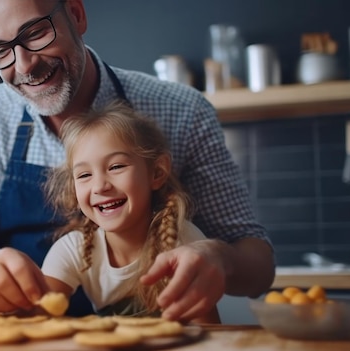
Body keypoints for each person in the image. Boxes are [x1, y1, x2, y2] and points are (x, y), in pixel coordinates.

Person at [0, 0, 275, 322]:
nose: (24, 65)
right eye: (1, 51)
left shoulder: (184, 112)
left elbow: (258, 263)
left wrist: (222, 259)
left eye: (36, 32)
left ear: (76, 13)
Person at [41, 101, 220, 323]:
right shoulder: (71, 250)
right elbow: (38, 319)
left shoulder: (186, 243)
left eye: (116, 167)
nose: (99, 187)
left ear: (157, 172)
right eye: (84, 175)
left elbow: (209, 334)